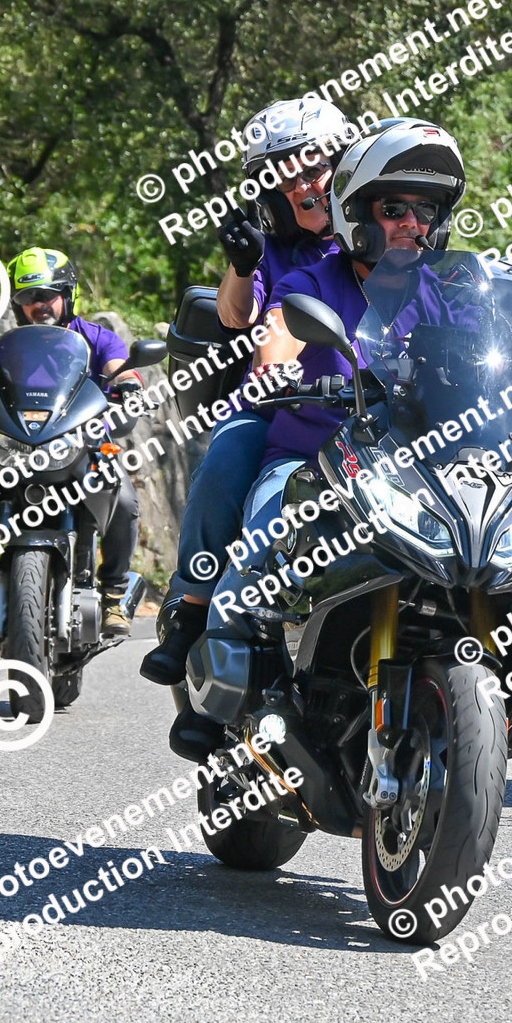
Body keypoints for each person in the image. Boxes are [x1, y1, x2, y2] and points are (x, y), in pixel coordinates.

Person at [169, 116, 467, 761]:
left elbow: (499, 345)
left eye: (424, 210)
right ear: (358, 211)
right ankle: (217, 681)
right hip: (312, 452)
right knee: (259, 539)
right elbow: (271, 327)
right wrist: (274, 364)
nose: (411, 223)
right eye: (394, 210)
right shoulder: (308, 274)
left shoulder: (444, 286)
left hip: (411, 464)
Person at [140, 96, 351, 686]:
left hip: (369, 410)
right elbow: (238, 317)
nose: (303, 186)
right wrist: (241, 263)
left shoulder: (380, 235)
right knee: (224, 462)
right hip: (278, 406)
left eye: (315, 170)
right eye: (287, 177)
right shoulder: (275, 248)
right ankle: (193, 607)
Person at [0, 247, 143, 637]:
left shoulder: (98, 338)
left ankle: (112, 595)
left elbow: (119, 370)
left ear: (68, 294)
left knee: (123, 500)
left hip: (82, 442)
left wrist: (129, 385)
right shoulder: (9, 346)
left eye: (48, 294)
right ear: (17, 304)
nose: (38, 304)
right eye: (27, 296)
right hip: (16, 445)